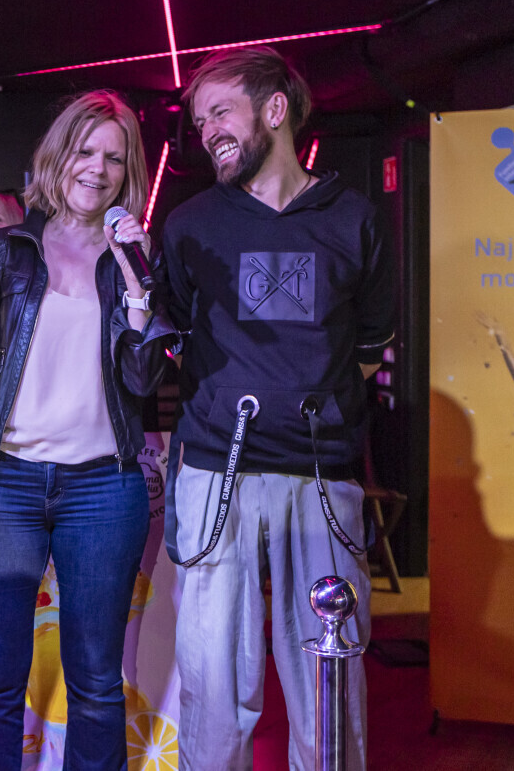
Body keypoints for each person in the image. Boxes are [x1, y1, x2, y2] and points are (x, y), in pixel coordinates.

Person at [162, 46, 395, 770]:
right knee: (213, 684)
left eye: (220, 112)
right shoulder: (190, 223)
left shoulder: (354, 218)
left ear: (274, 109)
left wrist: (307, 402)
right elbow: (172, 343)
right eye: (200, 121)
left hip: (322, 478)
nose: (208, 132)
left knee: (331, 676)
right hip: (216, 473)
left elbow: (369, 346)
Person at [0, 90, 175, 770]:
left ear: (128, 173)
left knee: (96, 682)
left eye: (114, 158)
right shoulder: (8, 252)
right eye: (85, 152)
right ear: (58, 156)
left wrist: (137, 287)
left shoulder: (133, 262)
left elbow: (142, 381)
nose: (97, 169)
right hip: (5, 483)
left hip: (104, 488)